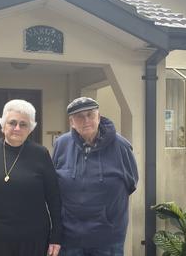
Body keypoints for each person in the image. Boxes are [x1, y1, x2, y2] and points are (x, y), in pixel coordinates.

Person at [0, 99, 62, 256]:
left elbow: (54, 198)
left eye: (23, 124)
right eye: (12, 123)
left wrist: (56, 237)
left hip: (33, 240)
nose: (17, 128)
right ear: (3, 125)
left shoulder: (41, 154)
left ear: (30, 128)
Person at [52, 97, 139, 256]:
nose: (86, 120)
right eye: (79, 116)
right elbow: (54, 184)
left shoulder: (121, 146)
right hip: (70, 238)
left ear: (99, 117)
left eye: (90, 115)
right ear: (72, 122)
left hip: (108, 238)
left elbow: (131, 183)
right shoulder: (61, 144)